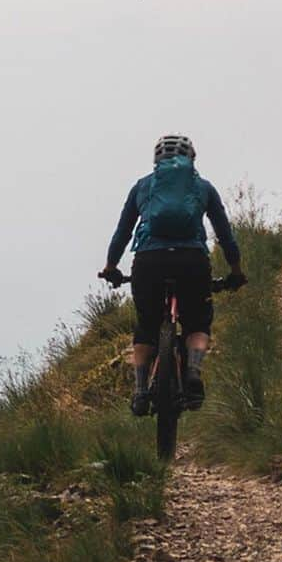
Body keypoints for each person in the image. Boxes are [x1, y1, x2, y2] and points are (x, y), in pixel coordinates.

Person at [99, 135, 245, 416]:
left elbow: (122, 233)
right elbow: (226, 235)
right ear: (192, 158)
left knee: (146, 327)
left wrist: (110, 267)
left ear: (157, 160)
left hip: (149, 262)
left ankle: (141, 391)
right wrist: (235, 271)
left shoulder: (142, 187)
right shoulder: (203, 187)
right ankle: (192, 371)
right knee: (197, 323)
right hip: (192, 260)